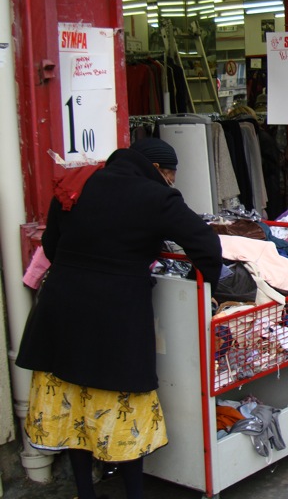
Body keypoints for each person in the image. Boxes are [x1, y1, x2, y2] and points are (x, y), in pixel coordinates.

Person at [16, 138, 222, 499]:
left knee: (74, 404)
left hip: (61, 311)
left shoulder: (77, 182)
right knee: (121, 409)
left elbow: (51, 245)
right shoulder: (157, 196)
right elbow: (206, 245)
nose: (172, 182)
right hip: (116, 318)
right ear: (158, 170)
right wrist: (203, 290)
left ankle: (86, 492)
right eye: (171, 175)